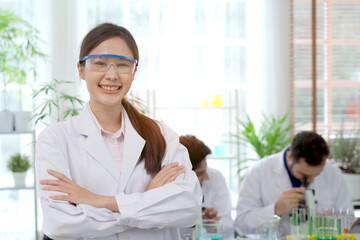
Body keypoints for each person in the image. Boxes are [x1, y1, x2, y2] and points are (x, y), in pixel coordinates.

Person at [35, 23, 202, 240]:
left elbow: (188, 207)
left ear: (134, 71)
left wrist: (99, 200)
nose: (112, 75)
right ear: (81, 70)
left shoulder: (161, 135)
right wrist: (146, 200)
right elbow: (60, 224)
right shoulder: (56, 139)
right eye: (100, 63)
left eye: (123, 65)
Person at [235, 131, 354, 237]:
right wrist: (276, 209)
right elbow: (242, 223)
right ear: (290, 157)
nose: (311, 180)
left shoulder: (333, 174)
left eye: (316, 174)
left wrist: (331, 223)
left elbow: (348, 219)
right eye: (304, 175)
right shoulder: (259, 172)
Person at [179, 135, 234, 239]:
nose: (206, 176)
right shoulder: (169, 189)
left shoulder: (216, 177)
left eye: (205, 170)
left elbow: (228, 222)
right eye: (199, 174)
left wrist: (211, 225)